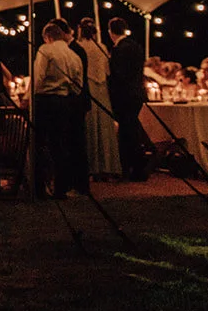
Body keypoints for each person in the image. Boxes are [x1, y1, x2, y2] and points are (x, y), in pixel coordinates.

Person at [33, 19, 89, 198]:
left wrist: (31, 97)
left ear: (47, 37)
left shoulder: (45, 50)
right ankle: (61, 188)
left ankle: (40, 187)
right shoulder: (74, 55)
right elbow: (78, 85)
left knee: (40, 144)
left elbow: (39, 77)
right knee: (60, 145)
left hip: (45, 100)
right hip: (64, 101)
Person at [75, 17, 120, 179]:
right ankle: (106, 165)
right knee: (104, 127)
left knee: (89, 126)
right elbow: (107, 71)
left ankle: (90, 167)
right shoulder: (101, 47)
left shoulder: (79, 48)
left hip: (88, 88)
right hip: (102, 90)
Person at [107, 17, 149, 180]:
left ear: (111, 32)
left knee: (127, 132)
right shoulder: (136, 46)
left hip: (124, 96)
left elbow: (118, 75)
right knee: (131, 130)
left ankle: (132, 167)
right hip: (137, 94)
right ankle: (136, 166)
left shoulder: (119, 49)